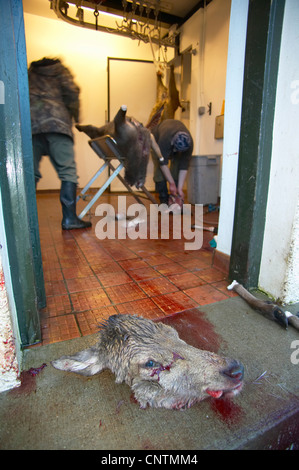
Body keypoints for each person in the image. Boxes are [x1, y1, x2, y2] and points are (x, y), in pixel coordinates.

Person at [28, 57, 91, 230]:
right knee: (67, 171)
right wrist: (75, 116)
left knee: (30, 173)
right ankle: (70, 219)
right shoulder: (60, 70)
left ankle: (26, 220)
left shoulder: (30, 73)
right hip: (57, 124)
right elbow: (72, 92)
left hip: (32, 126)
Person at [150, 119, 193, 206]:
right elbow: (162, 163)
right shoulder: (165, 139)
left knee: (176, 166)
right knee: (159, 171)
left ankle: (175, 197)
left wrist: (180, 188)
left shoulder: (189, 144)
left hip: (175, 143)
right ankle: (164, 200)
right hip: (156, 141)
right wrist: (171, 183)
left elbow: (184, 166)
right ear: (173, 142)